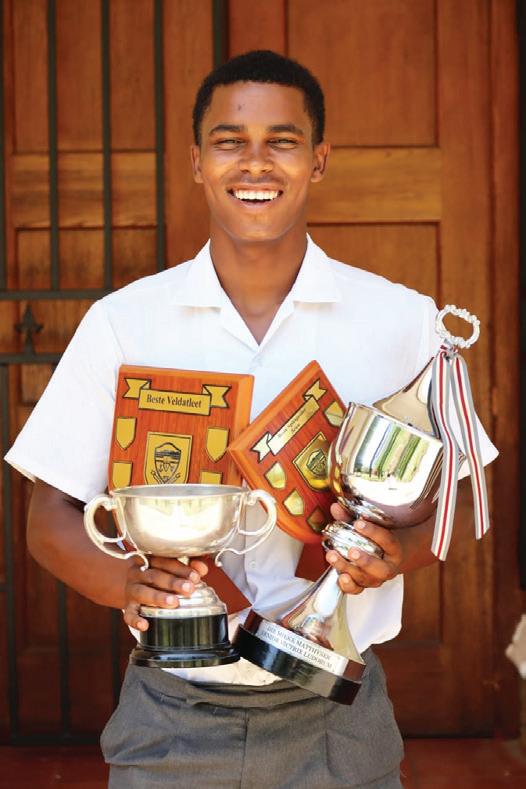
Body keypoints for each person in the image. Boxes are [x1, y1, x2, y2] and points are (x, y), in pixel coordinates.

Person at [5, 50, 497, 788]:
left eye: (283, 141)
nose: (255, 163)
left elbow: (462, 500)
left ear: (319, 159)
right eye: (230, 141)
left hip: (339, 719)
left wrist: (398, 552)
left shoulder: (402, 321)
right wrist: (124, 585)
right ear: (197, 161)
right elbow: (48, 516)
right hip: (169, 718)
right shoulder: (125, 323)